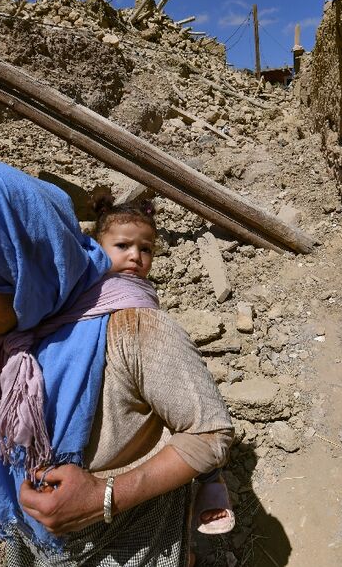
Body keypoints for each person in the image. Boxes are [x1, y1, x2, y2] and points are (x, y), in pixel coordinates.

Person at [0, 159, 234, 566]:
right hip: (36, 534)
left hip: (128, 537)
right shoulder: (6, 334)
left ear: (19, 263)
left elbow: (209, 433)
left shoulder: (132, 326)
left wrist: (105, 497)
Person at [91, 197, 235, 536]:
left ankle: (209, 479)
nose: (135, 257)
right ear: (96, 248)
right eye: (122, 245)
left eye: (146, 250)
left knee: (189, 413)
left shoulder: (140, 301)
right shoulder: (83, 297)